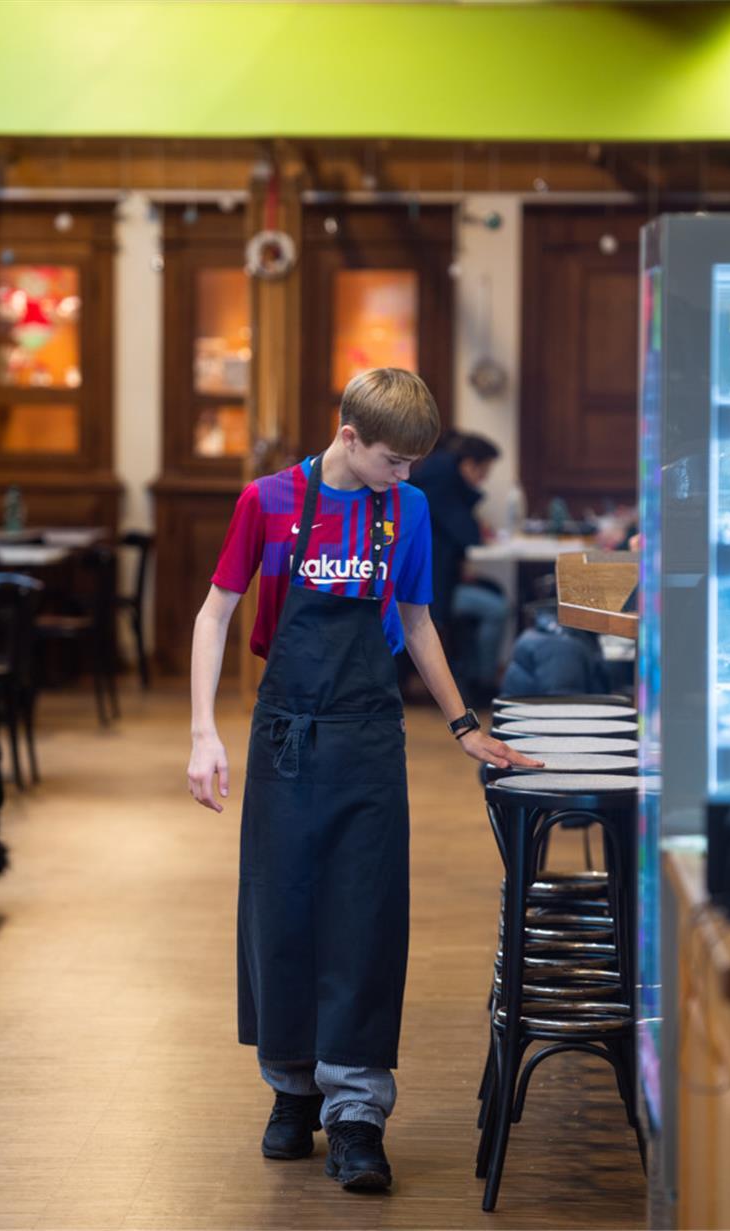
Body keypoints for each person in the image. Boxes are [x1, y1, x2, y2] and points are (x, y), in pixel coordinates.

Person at [187, 369, 542, 1194]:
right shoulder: (268, 501)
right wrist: (204, 733)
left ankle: (356, 1113)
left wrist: (464, 726)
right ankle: (291, 1089)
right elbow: (216, 612)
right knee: (281, 911)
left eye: (414, 461)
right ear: (348, 436)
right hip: (285, 734)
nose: (405, 475)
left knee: (365, 914)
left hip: (370, 736)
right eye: (392, 459)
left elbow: (415, 622)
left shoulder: (406, 510)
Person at [410, 431, 508, 699]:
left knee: (495, 592)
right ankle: (482, 683)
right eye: (483, 471)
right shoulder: (442, 484)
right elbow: (468, 533)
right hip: (431, 591)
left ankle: (475, 674)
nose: (483, 479)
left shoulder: (436, 478)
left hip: (439, 581)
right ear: (468, 464)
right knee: (497, 608)